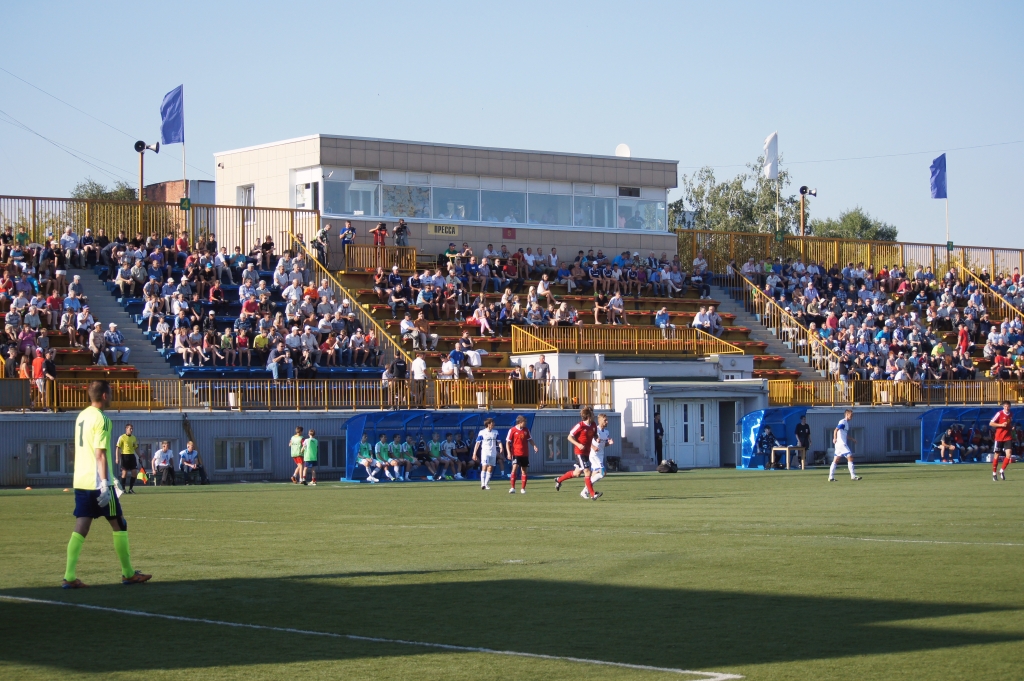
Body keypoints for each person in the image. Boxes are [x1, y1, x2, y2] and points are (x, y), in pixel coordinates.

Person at [62, 380, 151, 589]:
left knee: (81, 526)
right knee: (119, 524)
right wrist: (104, 483)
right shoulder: (102, 419)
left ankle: (69, 576)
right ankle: (128, 573)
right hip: (98, 482)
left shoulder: (81, 416)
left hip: (81, 481)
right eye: (110, 393)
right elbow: (100, 454)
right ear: (104, 395)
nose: (111, 396)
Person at [554, 407, 600, 499]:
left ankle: (559, 480)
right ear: (588, 416)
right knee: (587, 472)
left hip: (587, 452)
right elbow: (569, 437)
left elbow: (594, 434)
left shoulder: (594, 425)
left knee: (577, 473)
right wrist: (578, 444)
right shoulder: (580, 425)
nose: (594, 415)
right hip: (580, 452)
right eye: (592, 414)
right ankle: (592, 494)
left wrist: (596, 438)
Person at [582, 412, 613, 499]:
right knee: (603, 473)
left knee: (595, 474)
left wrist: (609, 443)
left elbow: (604, 444)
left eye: (607, 420)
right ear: (599, 421)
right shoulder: (595, 430)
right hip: (593, 455)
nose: (607, 422)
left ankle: (585, 491)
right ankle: (587, 491)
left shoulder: (606, 432)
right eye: (605, 420)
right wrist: (593, 446)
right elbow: (588, 441)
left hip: (600, 455)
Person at [506, 415, 538, 494]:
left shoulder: (526, 430)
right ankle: (512, 488)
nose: (526, 423)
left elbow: (530, 439)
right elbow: (507, 442)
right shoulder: (512, 430)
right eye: (525, 422)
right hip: (516, 453)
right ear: (520, 422)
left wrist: (534, 446)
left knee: (524, 470)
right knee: (514, 468)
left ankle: (523, 489)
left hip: (525, 453)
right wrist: (509, 452)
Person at [828, 409, 861, 481]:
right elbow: (835, 430)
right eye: (851, 415)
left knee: (835, 460)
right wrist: (834, 438)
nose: (851, 417)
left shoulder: (846, 423)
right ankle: (853, 476)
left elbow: (844, 435)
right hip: (841, 444)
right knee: (850, 457)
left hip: (839, 445)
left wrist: (852, 439)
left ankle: (830, 477)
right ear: (847, 415)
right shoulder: (843, 422)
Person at [472, 417, 503, 490]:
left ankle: (486, 484)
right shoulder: (482, 432)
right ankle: (482, 483)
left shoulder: (495, 432)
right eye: (492, 422)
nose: (494, 424)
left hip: (493, 452)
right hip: (485, 452)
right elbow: (477, 443)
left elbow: (499, 441)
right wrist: (474, 453)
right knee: (484, 466)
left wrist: (501, 447)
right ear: (488, 424)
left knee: (490, 467)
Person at [989, 401, 1013, 481]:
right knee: (997, 455)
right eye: (1005, 406)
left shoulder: (1011, 414)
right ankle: (994, 474)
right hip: (999, 437)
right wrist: (1001, 425)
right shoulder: (999, 413)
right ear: (1003, 406)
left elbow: (1009, 424)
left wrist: (1011, 427)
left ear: (1010, 407)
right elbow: (991, 423)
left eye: (1008, 406)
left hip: (1007, 437)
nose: (1007, 408)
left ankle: (1002, 470)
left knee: (1008, 454)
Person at [115, 424, 139, 495]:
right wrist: (117, 458)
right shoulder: (122, 437)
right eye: (130, 428)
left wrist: (140, 455)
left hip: (132, 456)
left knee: (134, 472)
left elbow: (136, 448)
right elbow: (118, 448)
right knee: (124, 473)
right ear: (126, 429)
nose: (131, 430)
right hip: (124, 456)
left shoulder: (134, 438)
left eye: (132, 429)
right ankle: (123, 489)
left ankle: (131, 489)